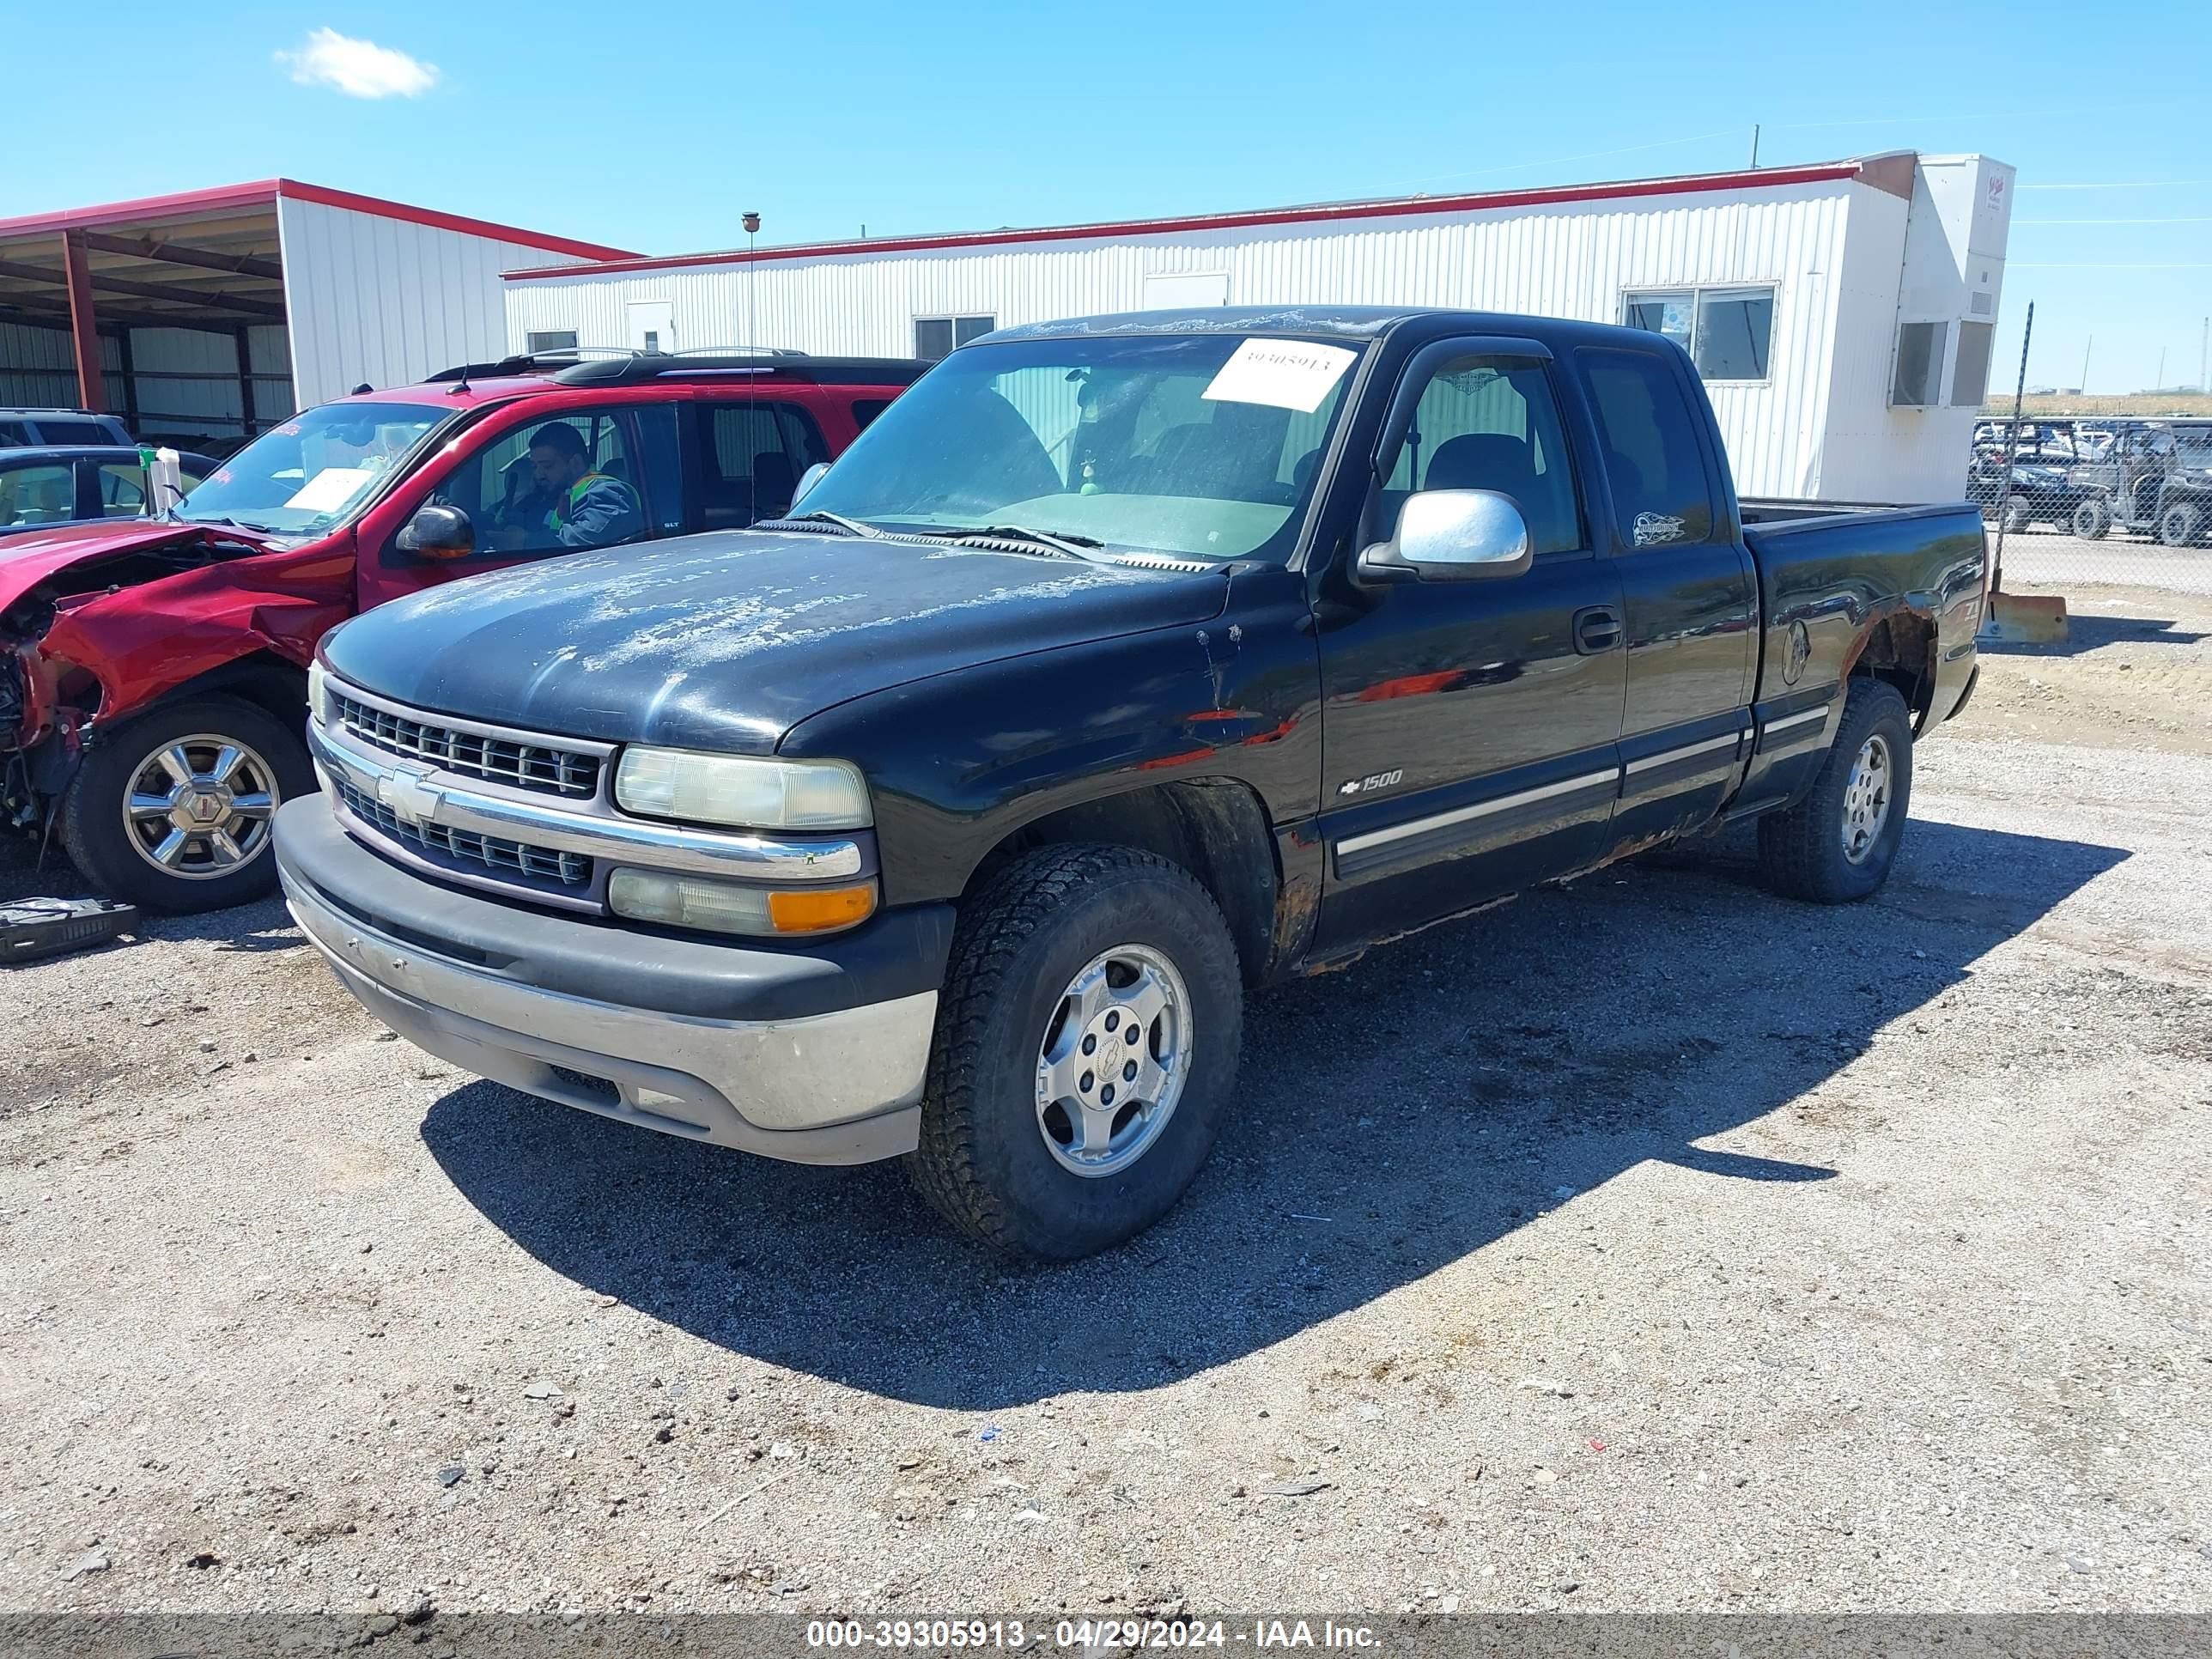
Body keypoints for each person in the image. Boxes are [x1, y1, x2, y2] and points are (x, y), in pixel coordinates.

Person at [495, 422, 642, 550]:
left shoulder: (606, 492)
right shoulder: (562, 493)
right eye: (535, 466)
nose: (539, 475)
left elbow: (586, 538)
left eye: (547, 466)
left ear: (575, 462)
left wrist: (526, 542)